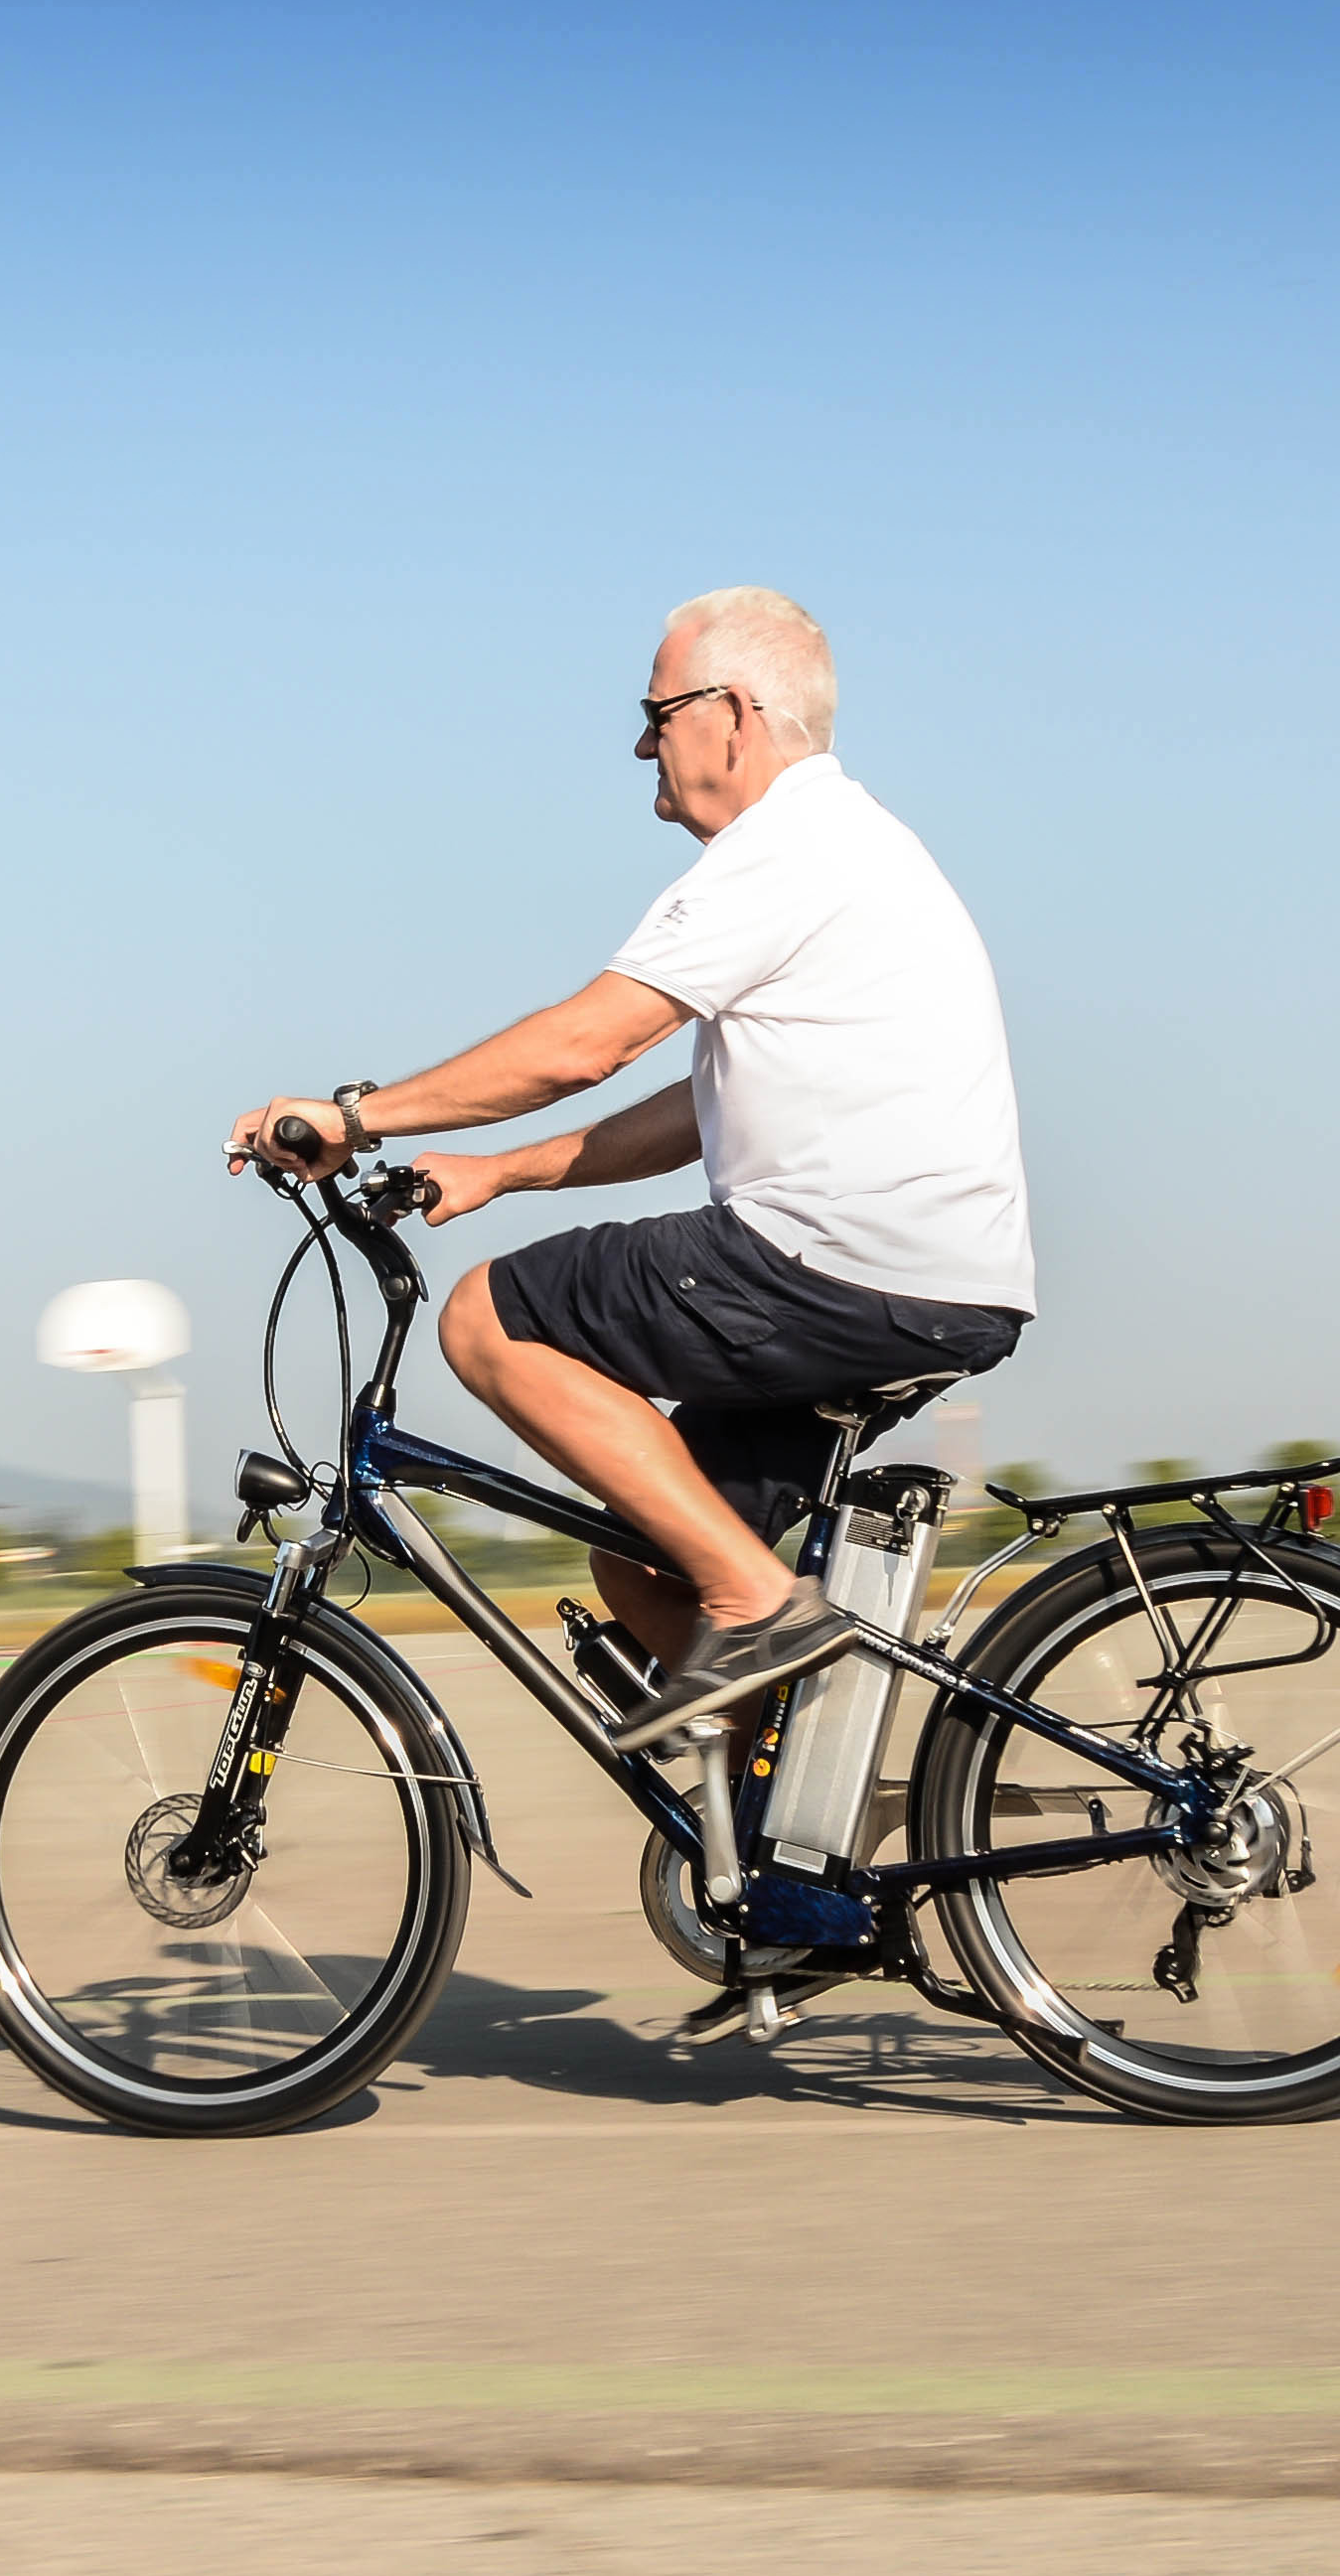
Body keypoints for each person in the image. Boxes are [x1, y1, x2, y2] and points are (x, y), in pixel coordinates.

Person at [227, 585, 1033, 1754]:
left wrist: (355, 1116)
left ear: (733, 714)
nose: (642, 744)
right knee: (648, 1557)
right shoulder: (853, 847)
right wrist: (501, 1170)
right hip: (932, 1282)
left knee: (486, 1317)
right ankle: (786, 1825)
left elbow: (583, 1044)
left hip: (836, 1261)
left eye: (656, 713)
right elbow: (692, 1112)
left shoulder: (784, 851)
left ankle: (761, 1605)